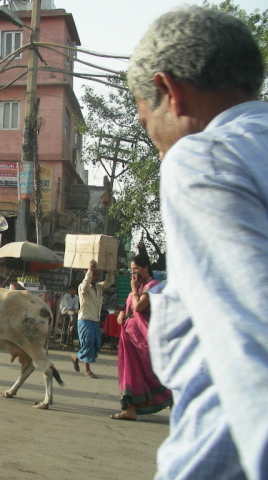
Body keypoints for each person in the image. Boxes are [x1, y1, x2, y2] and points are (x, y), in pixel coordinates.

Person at [128, 7, 267, 479]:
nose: (161, 149)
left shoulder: (205, 159)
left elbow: (254, 348)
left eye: (150, 128)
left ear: (171, 92)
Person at [110, 255, 172, 421]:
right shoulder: (137, 287)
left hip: (145, 337)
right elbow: (128, 305)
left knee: (152, 372)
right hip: (129, 337)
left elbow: (139, 306)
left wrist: (134, 289)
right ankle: (130, 409)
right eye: (131, 269)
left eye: (136, 268)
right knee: (129, 372)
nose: (133, 272)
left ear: (145, 268)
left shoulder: (153, 286)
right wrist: (122, 314)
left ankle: (174, 400)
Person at [71, 260, 113, 379]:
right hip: (85, 319)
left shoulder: (99, 287)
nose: (96, 276)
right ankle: (87, 370)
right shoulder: (83, 286)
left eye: (96, 274)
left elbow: (109, 282)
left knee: (96, 345)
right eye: (94, 274)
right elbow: (85, 285)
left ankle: (76, 357)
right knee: (87, 343)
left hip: (95, 320)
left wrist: (110, 270)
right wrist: (90, 270)